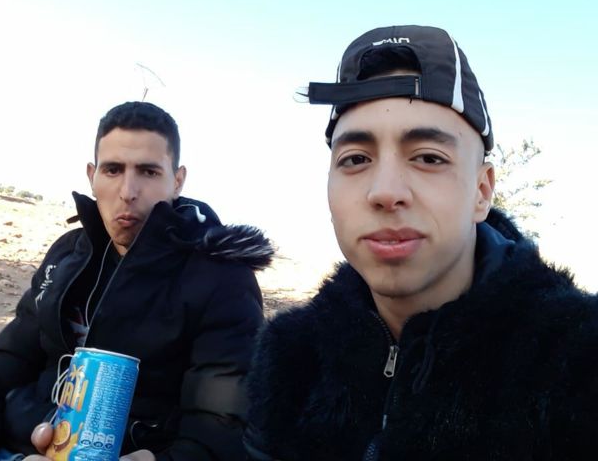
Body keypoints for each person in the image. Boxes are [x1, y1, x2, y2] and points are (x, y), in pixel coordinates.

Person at [244, 25, 598, 460]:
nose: (385, 191)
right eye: (355, 159)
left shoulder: (576, 358)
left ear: (482, 191)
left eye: (429, 157)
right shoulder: (289, 357)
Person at [0, 101, 273, 460]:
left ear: (177, 181)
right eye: (112, 170)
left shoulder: (222, 278)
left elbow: (219, 428)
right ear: (92, 176)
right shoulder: (68, 254)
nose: (128, 191)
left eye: (149, 172)